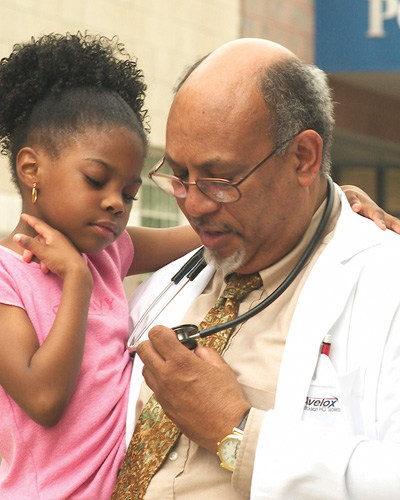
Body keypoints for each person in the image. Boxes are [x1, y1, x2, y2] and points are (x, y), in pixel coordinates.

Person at [112, 38, 400, 500]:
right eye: (179, 176)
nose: (195, 204)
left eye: (219, 180)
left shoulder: (385, 284)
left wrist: (238, 430)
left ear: (303, 158)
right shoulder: (170, 281)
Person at [0, 32, 200, 500]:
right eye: (96, 180)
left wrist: (325, 205)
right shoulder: (7, 276)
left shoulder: (110, 252)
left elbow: (210, 232)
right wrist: (75, 281)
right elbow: (43, 400)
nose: (116, 203)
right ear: (32, 170)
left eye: (130, 193)